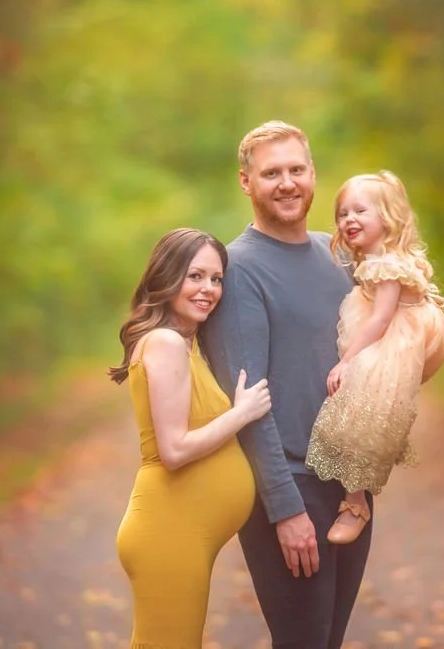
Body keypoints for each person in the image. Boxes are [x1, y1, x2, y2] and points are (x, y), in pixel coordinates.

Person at [200, 121, 369, 648]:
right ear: (246, 183)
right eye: (271, 173)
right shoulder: (240, 270)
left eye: (296, 169)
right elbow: (248, 406)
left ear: (313, 174)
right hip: (292, 486)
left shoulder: (338, 254)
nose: (287, 183)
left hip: (350, 488)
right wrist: (285, 508)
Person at [109, 228, 273, 648]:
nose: (208, 289)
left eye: (216, 279)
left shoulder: (184, 342)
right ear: (167, 276)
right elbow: (175, 450)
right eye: (195, 276)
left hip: (179, 534)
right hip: (168, 532)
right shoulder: (164, 342)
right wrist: (240, 415)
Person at [305, 170, 444, 546]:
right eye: (343, 213)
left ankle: (355, 503)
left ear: (386, 218)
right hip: (393, 329)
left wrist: (347, 360)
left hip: (391, 339)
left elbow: (383, 319)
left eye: (360, 212)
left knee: (361, 413)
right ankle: (351, 495)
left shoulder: (385, 264)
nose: (349, 220)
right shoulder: (378, 257)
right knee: (358, 414)